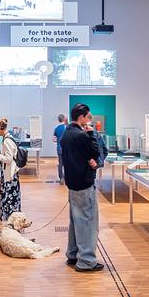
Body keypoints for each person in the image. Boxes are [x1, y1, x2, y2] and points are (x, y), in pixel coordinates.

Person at [61, 103, 102, 272]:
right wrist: (91, 133)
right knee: (87, 223)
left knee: (75, 221)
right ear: (81, 117)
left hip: (72, 184)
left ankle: (72, 254)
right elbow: (95, 152)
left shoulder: (66, 134)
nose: (89, 120)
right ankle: (86, 260)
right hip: (84, 185)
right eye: (88, 117)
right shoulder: (81, 135)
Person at [0, 118, 21, 222]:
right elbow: (3, 160)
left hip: (10, 176)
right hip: (7, 175)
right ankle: (10, 223)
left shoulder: (7, 141)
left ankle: (12, 224)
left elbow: (8, 159)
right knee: (9, 201)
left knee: (9, 201)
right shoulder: (6, 139)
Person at [53, 114, 68, 184]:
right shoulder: (67, 127)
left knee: (60, 163)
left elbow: (54, 139)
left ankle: (61, 178)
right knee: (67, 163)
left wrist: (59, 140)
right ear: (64, 119)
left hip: (59, 148)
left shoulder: (56, 128)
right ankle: (66, 177)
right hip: (66, 148)